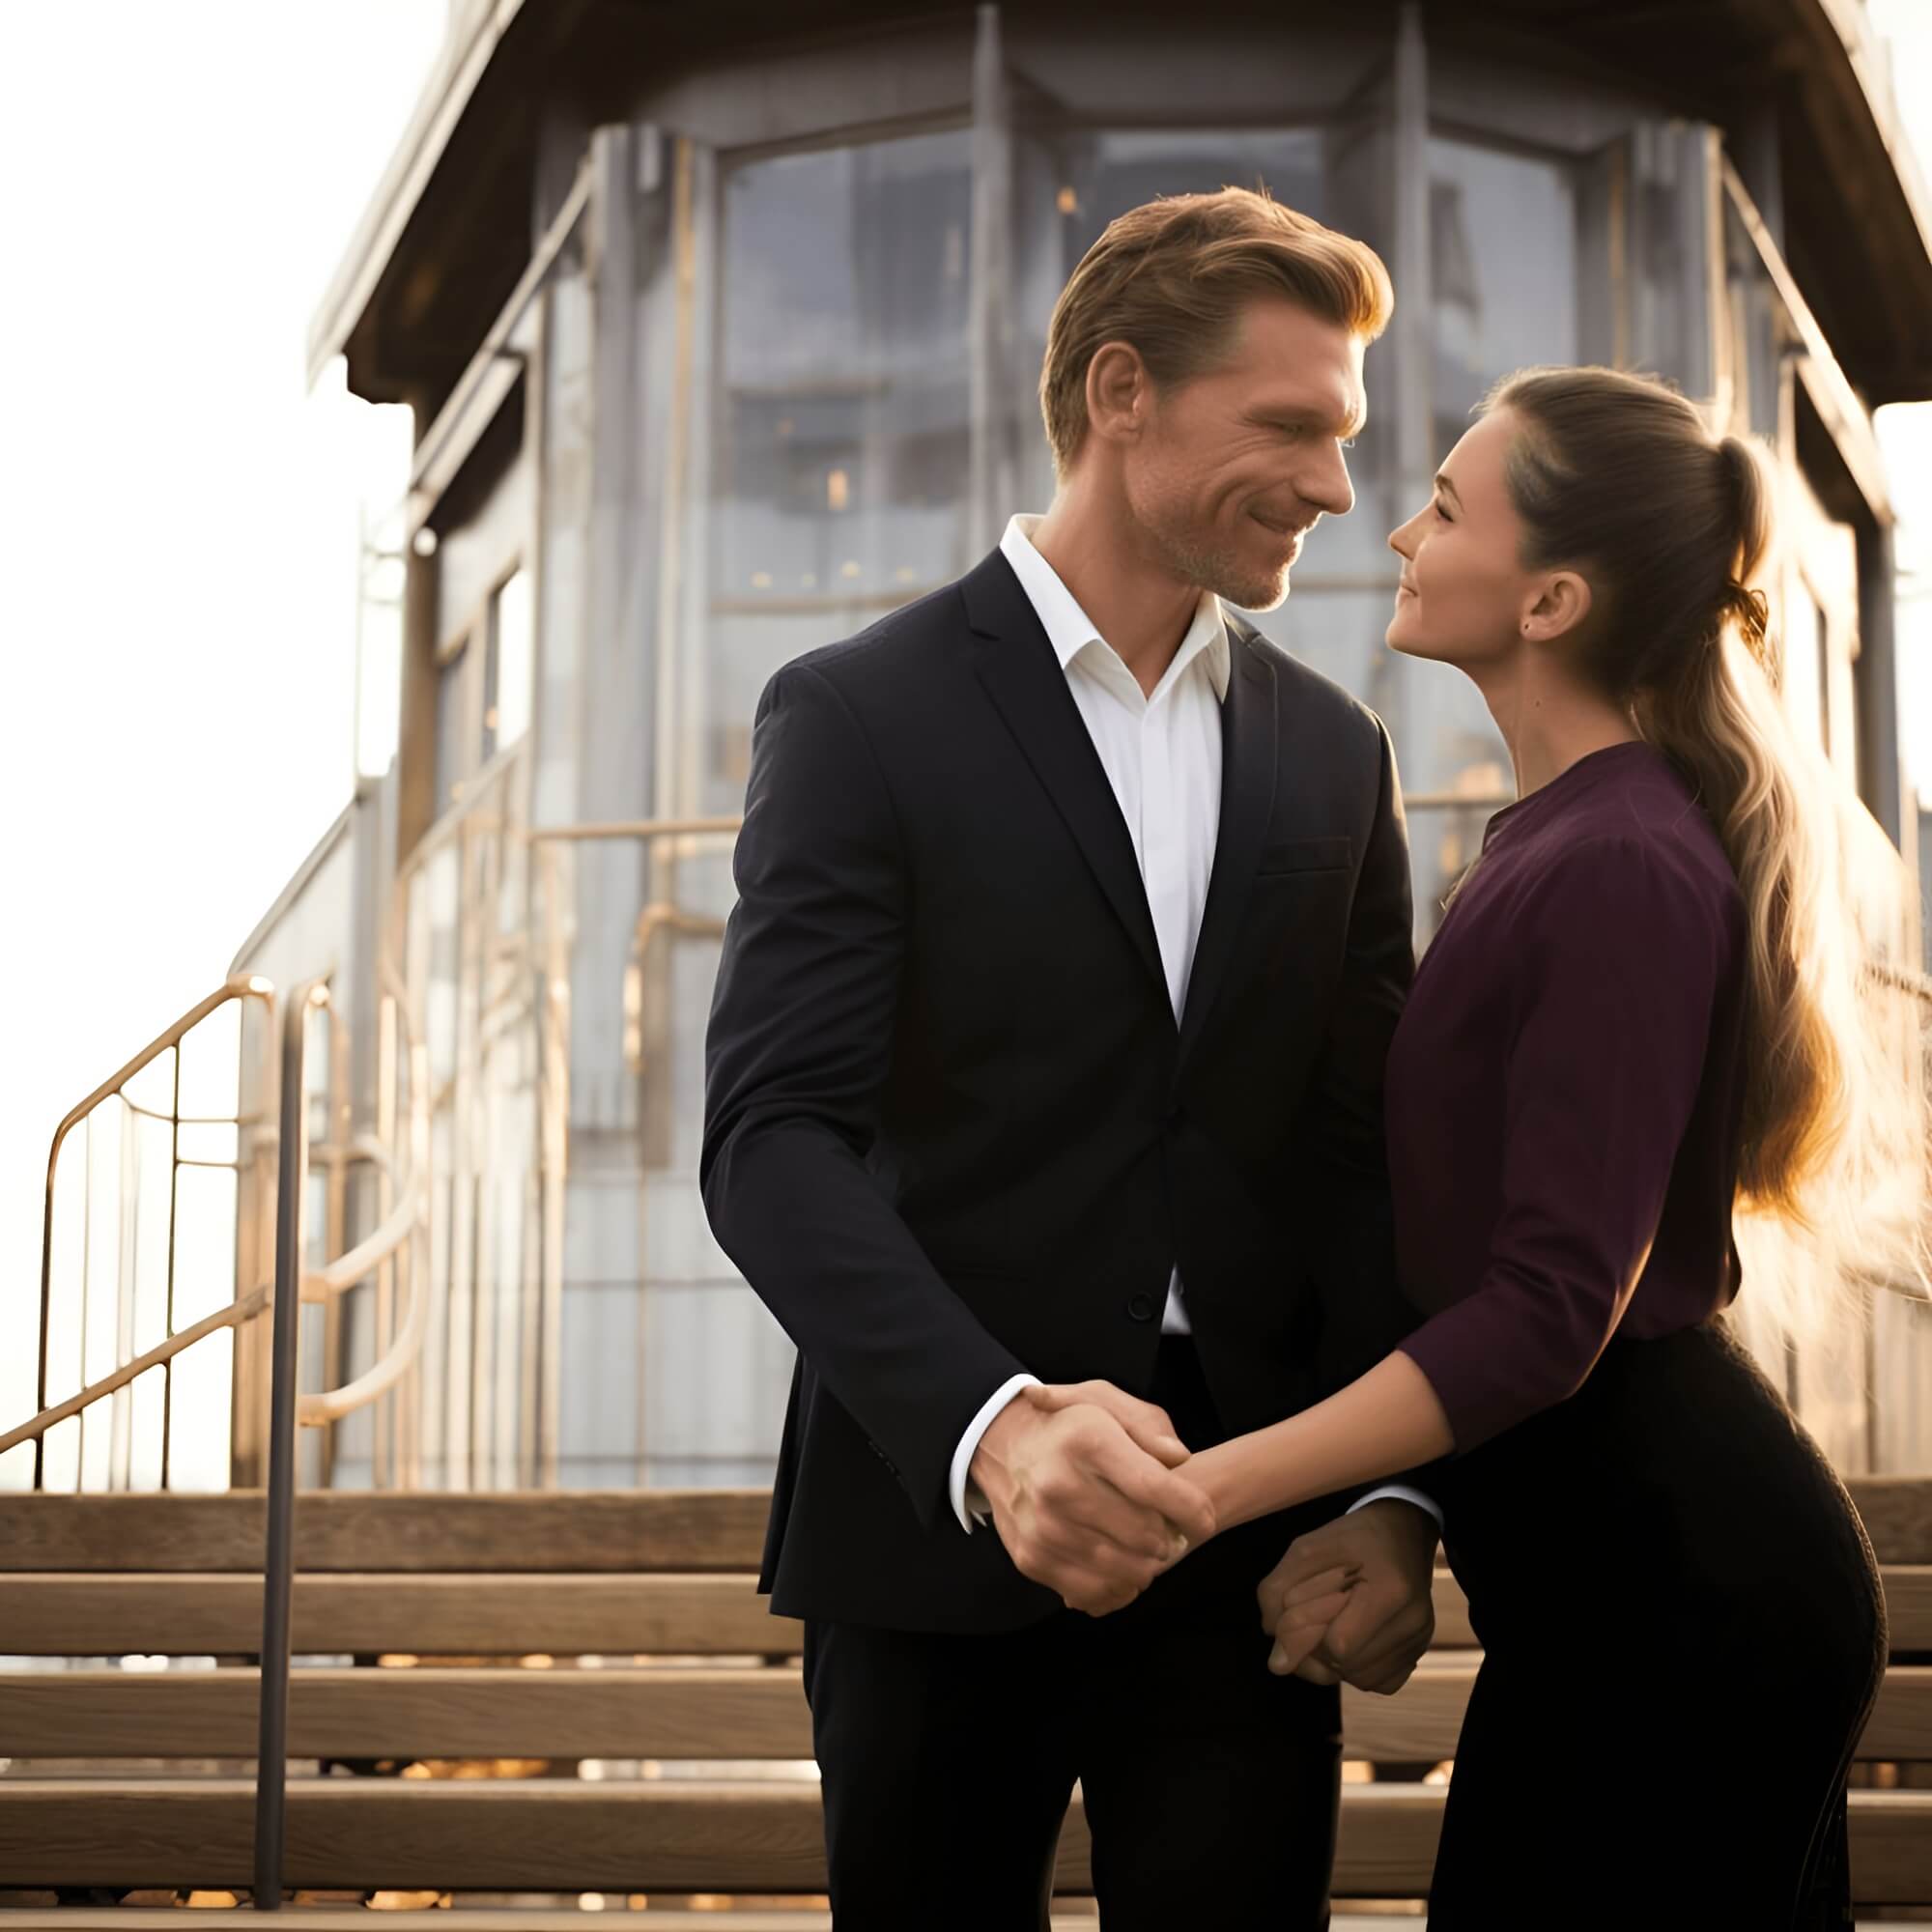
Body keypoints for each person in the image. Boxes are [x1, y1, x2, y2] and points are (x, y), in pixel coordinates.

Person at [700, 186, 1444, 1928]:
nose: (1339, 488)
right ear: (1123, 395)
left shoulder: (1337, 756)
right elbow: (771, 1139)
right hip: (937, 1512)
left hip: (1246, 1533)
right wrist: (991, 1425)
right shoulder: (858, 713)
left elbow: (1362, 1166)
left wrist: (1398, 1496)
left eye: (1346, 440)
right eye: (1294, 427)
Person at [1158, 366, 1917, 1927]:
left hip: (1684, 1608)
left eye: (1446, 505)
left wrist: (1210, 1493)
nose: (1400, 533)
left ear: (1553, 597)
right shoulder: (1566, 841)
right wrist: (1396, 1511)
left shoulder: (1622, 862)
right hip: (1610, 1598)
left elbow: (1547, 1307)